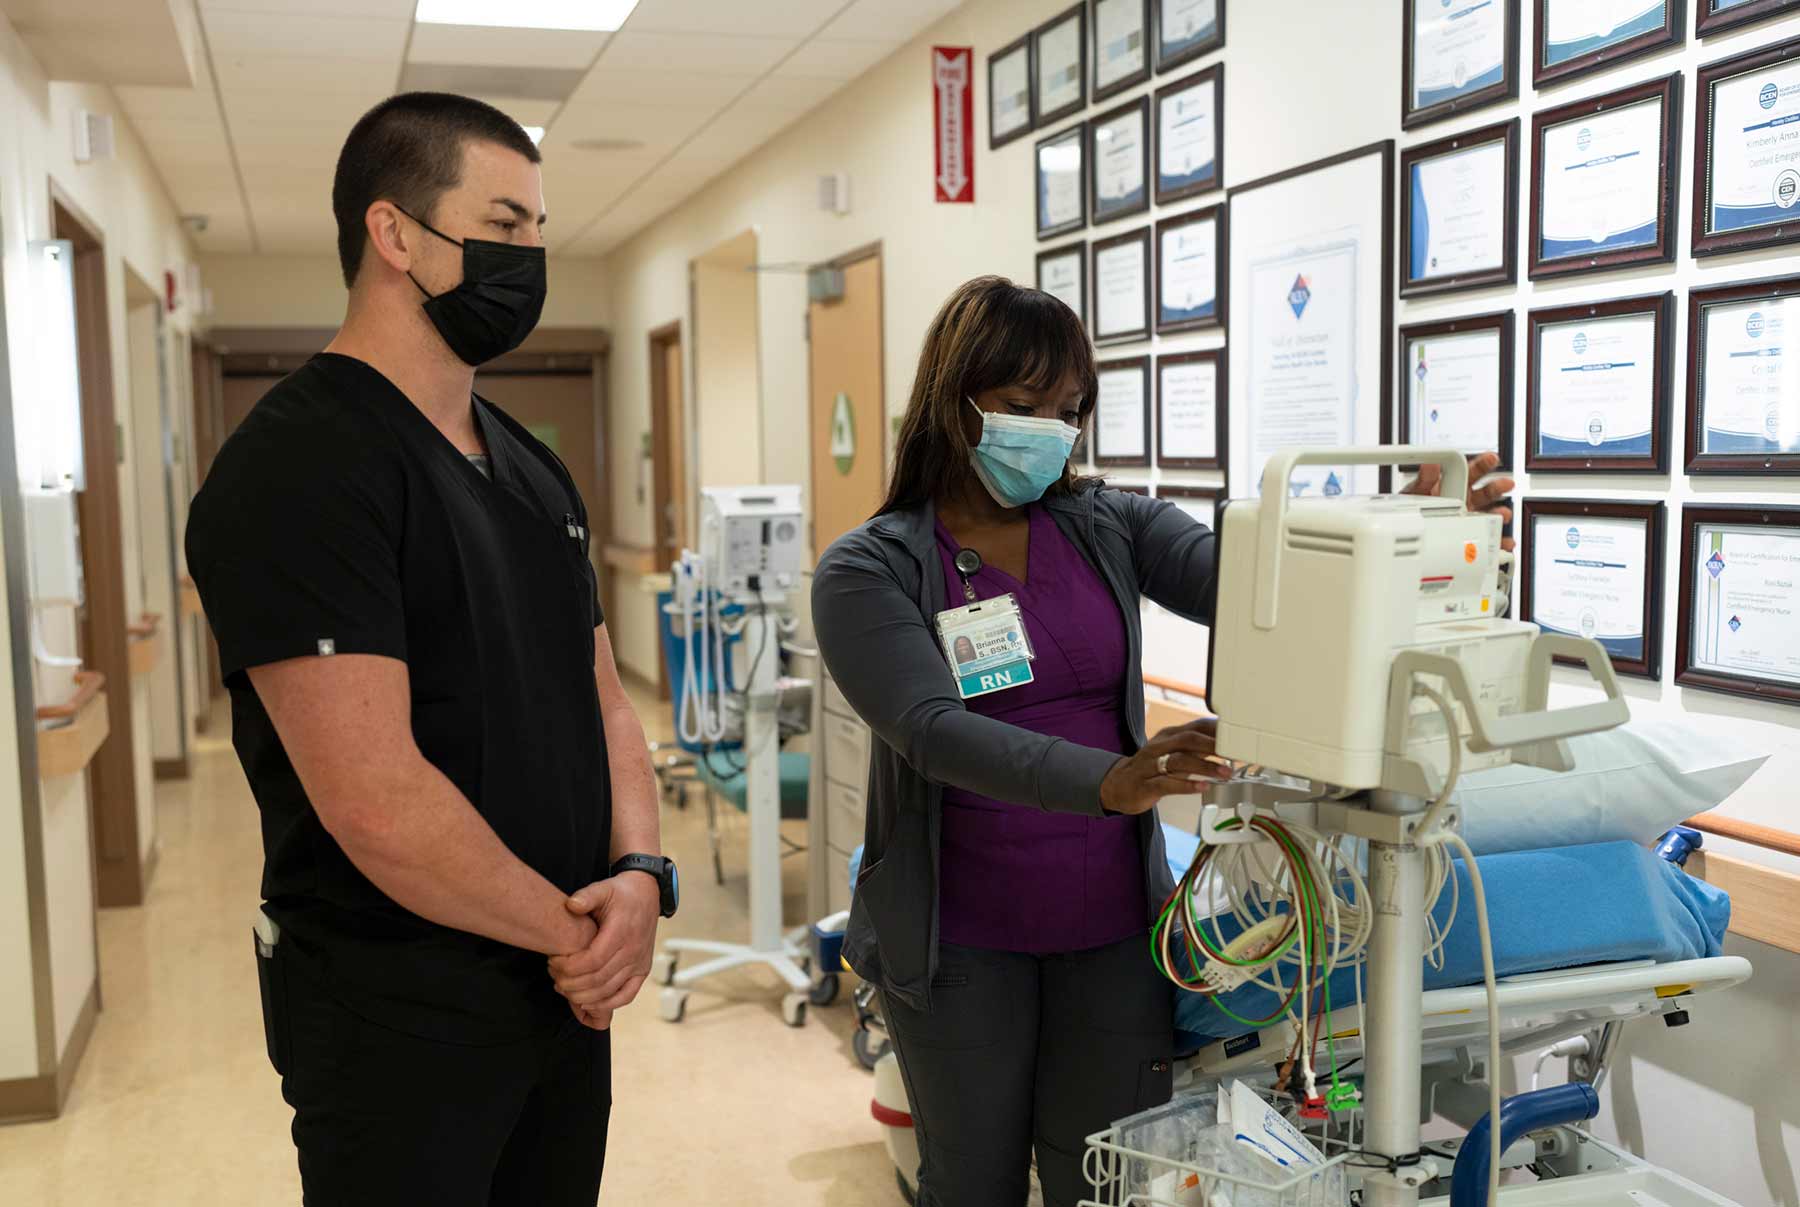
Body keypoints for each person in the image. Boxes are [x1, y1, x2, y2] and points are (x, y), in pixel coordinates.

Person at [810, 276, 1514, 1207]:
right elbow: (934, 732)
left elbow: (1272, 585)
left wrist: (1409, 524)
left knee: (1107, 1184)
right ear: (954, 400)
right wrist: (1112, 779)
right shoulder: (872, 566)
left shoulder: (1108, 525)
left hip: (1110, 932)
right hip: (959, 943)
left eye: (1068, 411)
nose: (1049, 432)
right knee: (972, 1184)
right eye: (1022, 407)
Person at [185, 93, 679, 1206]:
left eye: (539, 231)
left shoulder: (529, 464)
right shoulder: (302, 467)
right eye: (504, 227)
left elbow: (600, 698)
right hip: (398, 1021)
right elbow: (377, 803)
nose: (530, 258)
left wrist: (641, 876)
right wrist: (580, 933)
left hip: (556, 998)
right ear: (394, 233)